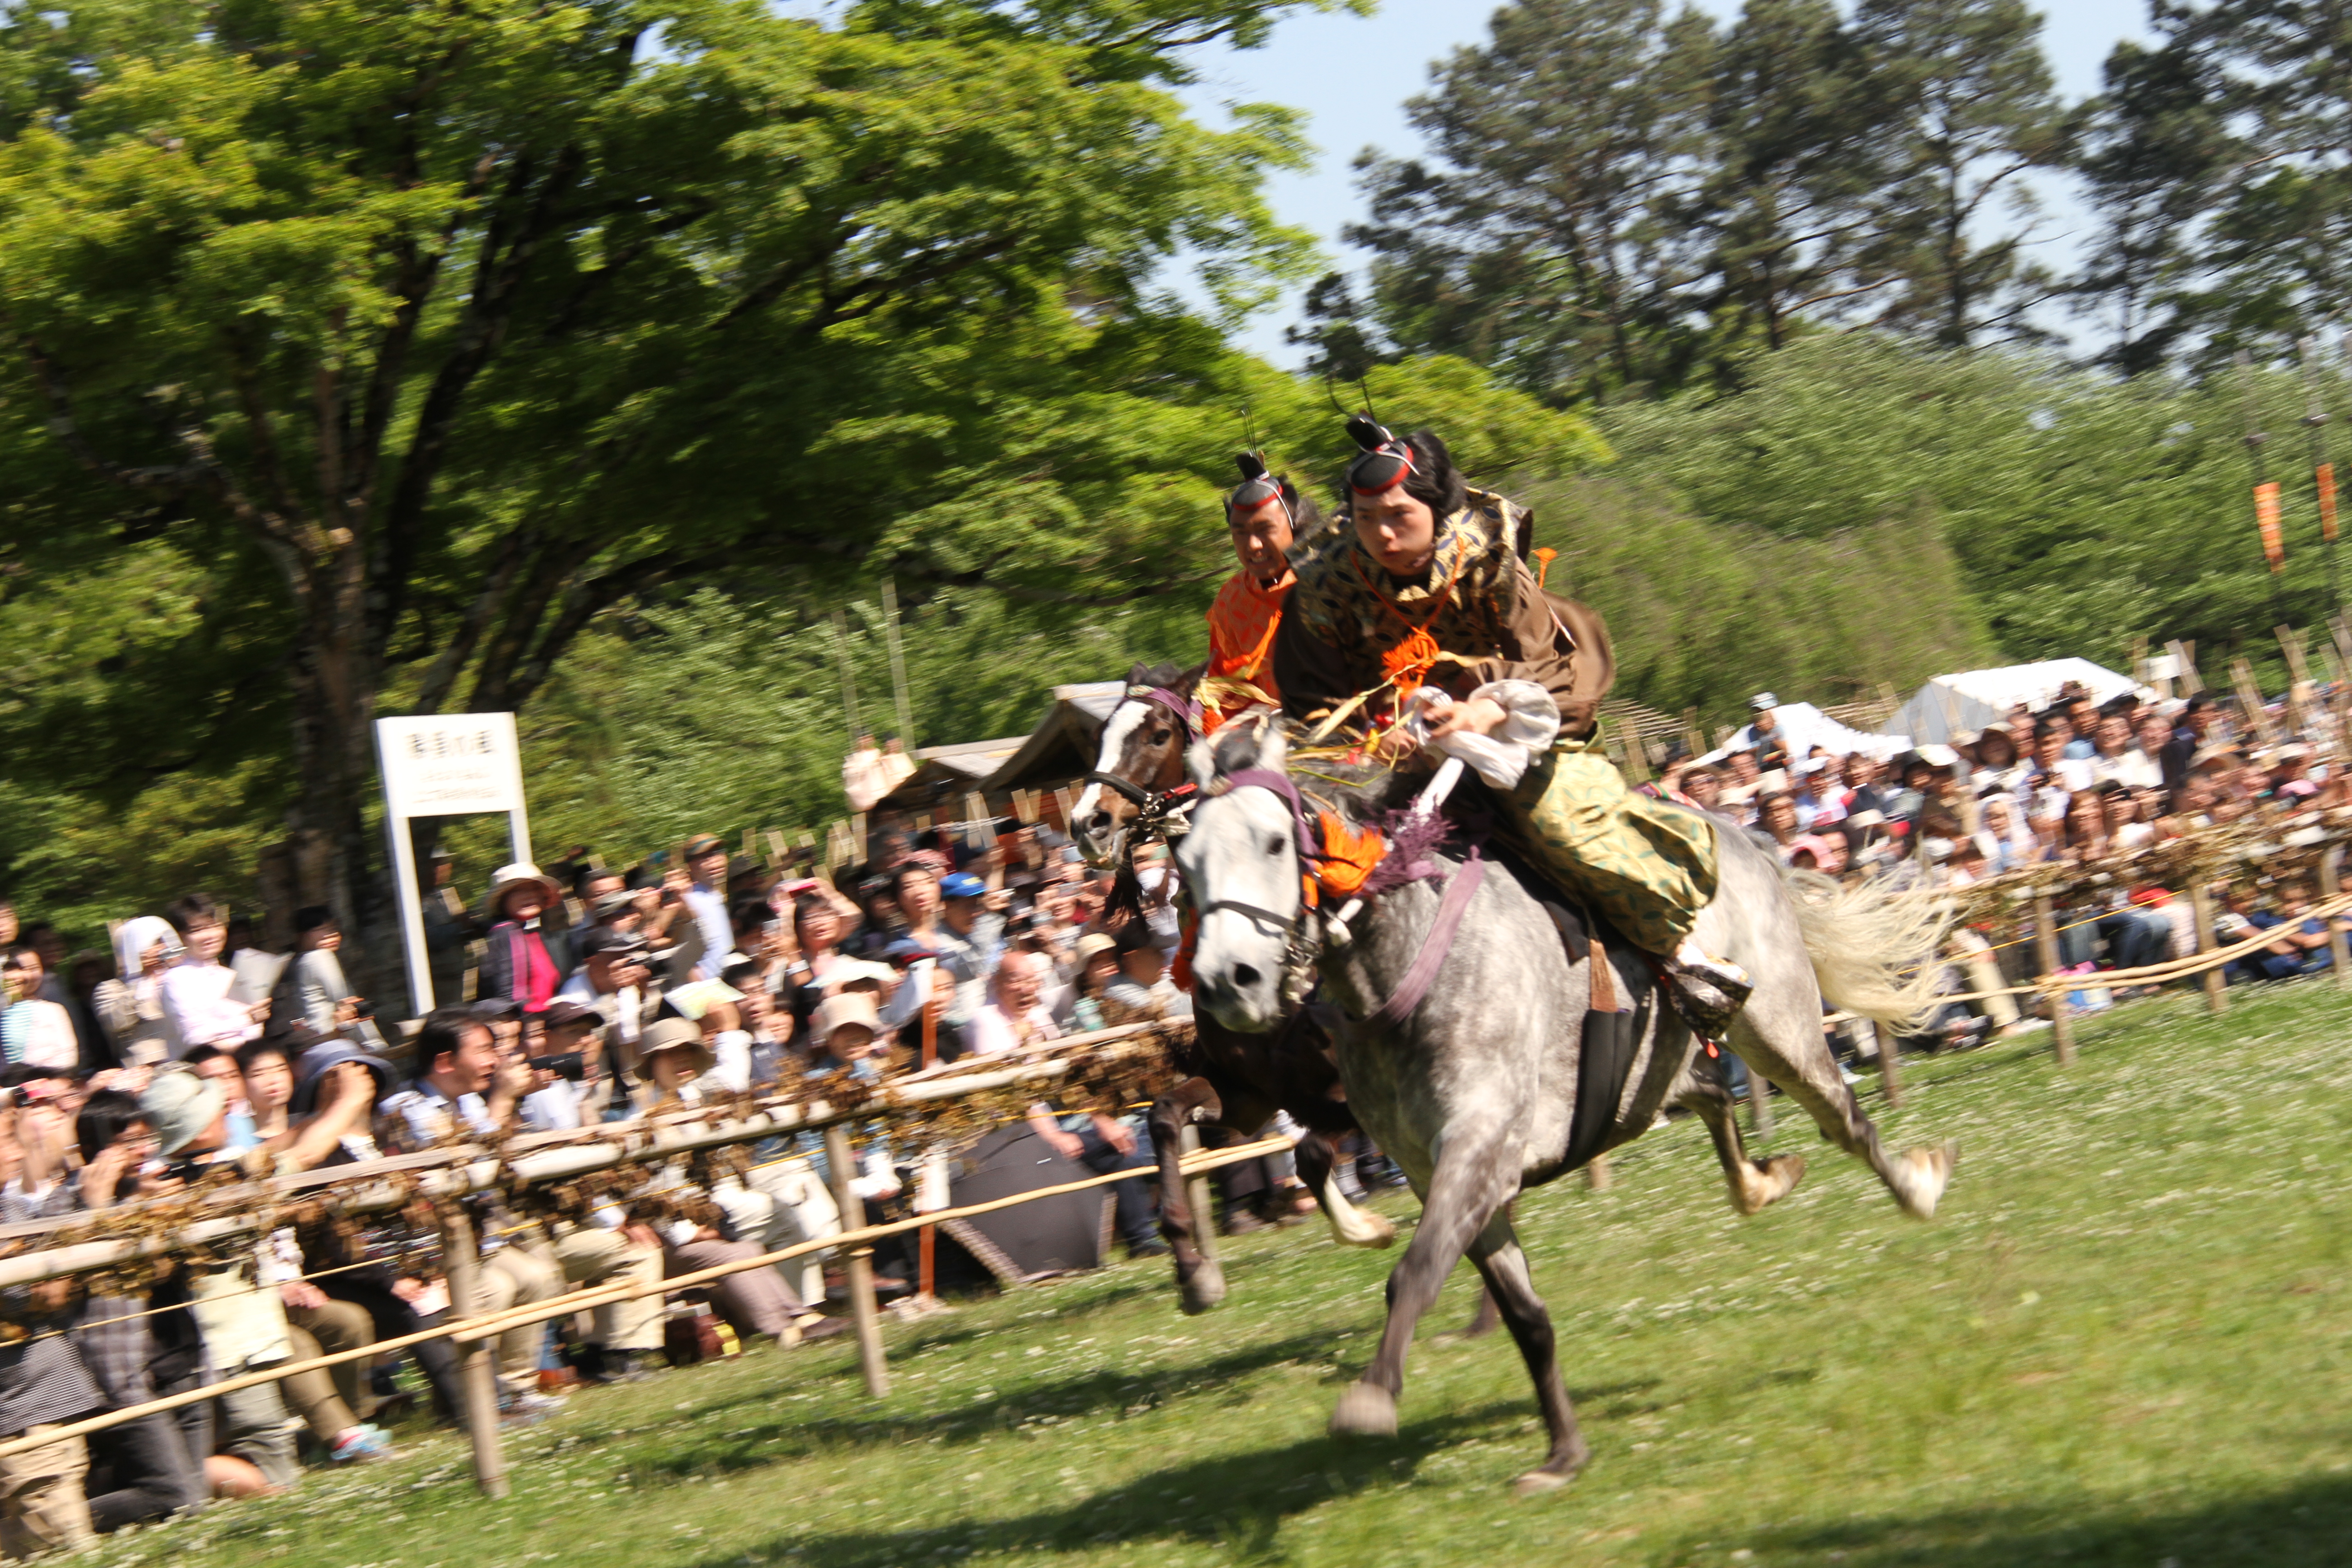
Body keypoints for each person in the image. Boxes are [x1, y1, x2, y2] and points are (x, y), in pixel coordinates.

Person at [1270, 416, 1749, 1035]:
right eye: (1366, 520)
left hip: (1515, 736)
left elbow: (1546, 661)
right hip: (1384, 754)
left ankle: (1678, 953)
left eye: (1399, 516)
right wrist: (1369, 734)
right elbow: (1310, 697)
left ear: (1436, 509)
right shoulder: (1324, 583)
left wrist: (1479, 711)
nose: (1382, 534)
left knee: (1561, 825)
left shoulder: (1486, 557)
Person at [1202, 453, 1324, 727]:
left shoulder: (1329, 584)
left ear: (1294, 528)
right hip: (1265, 738)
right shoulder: (1231, 599)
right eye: (1240, 533)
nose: (1253, 545)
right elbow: (1223, 690)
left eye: (1265, 529)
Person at [158, 893, 268, 1054]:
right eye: (197, 930)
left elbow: (254, 1032)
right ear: (181, 937)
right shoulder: (176, 980)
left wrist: (248, 1023)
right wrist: (247, 1020)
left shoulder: (230, 975)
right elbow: (196, 1039)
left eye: (215, 926)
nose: (210, 936)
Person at [476, 863, 570, 1017]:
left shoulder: (529, 933)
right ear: (503, 900)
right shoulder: (508, 932)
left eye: (535, 890)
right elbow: (513, 996)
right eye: (520, 891)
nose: (530, 896)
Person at [93, 916, 181, 1065]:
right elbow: (117, 1022)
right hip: (148, 1067)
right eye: (154, 944)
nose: (161, 949)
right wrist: (141, 977)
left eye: (163, 943)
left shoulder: (179, 977)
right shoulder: (111, 989)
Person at [272, 906, 364, 1038]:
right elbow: (344, 1003)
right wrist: (373, 1044)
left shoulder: (290, 962)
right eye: (324, 929)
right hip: (328, 1038)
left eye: (334, 928)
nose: (332, 934)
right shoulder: (320, 957)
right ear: (303, 935)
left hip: (306, 1041)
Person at [1, 946, 78, 1069]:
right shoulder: (4, 1015)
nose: (20, 976)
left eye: (33, 968)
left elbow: (68, 1055)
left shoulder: (52, 1011)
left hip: (46, 1082)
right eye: (11, 969)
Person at [680, 834, 735, 981]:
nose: (715, 860)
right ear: (691, 865)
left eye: (718, 853)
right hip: (707, 988)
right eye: (705, 857)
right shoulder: (690, 899)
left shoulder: (715, 895)